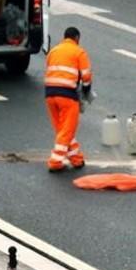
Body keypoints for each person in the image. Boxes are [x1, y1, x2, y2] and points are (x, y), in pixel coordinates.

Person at [43, 26, 93, 171]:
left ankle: (76, 159)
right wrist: (86, 91)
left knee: (62, 130)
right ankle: (55, 162)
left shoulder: (54, 51)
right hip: (67, 96)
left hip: (50, 94)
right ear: (77, 38)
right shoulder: (79, 51)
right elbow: (86, 76)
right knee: (67, 130)